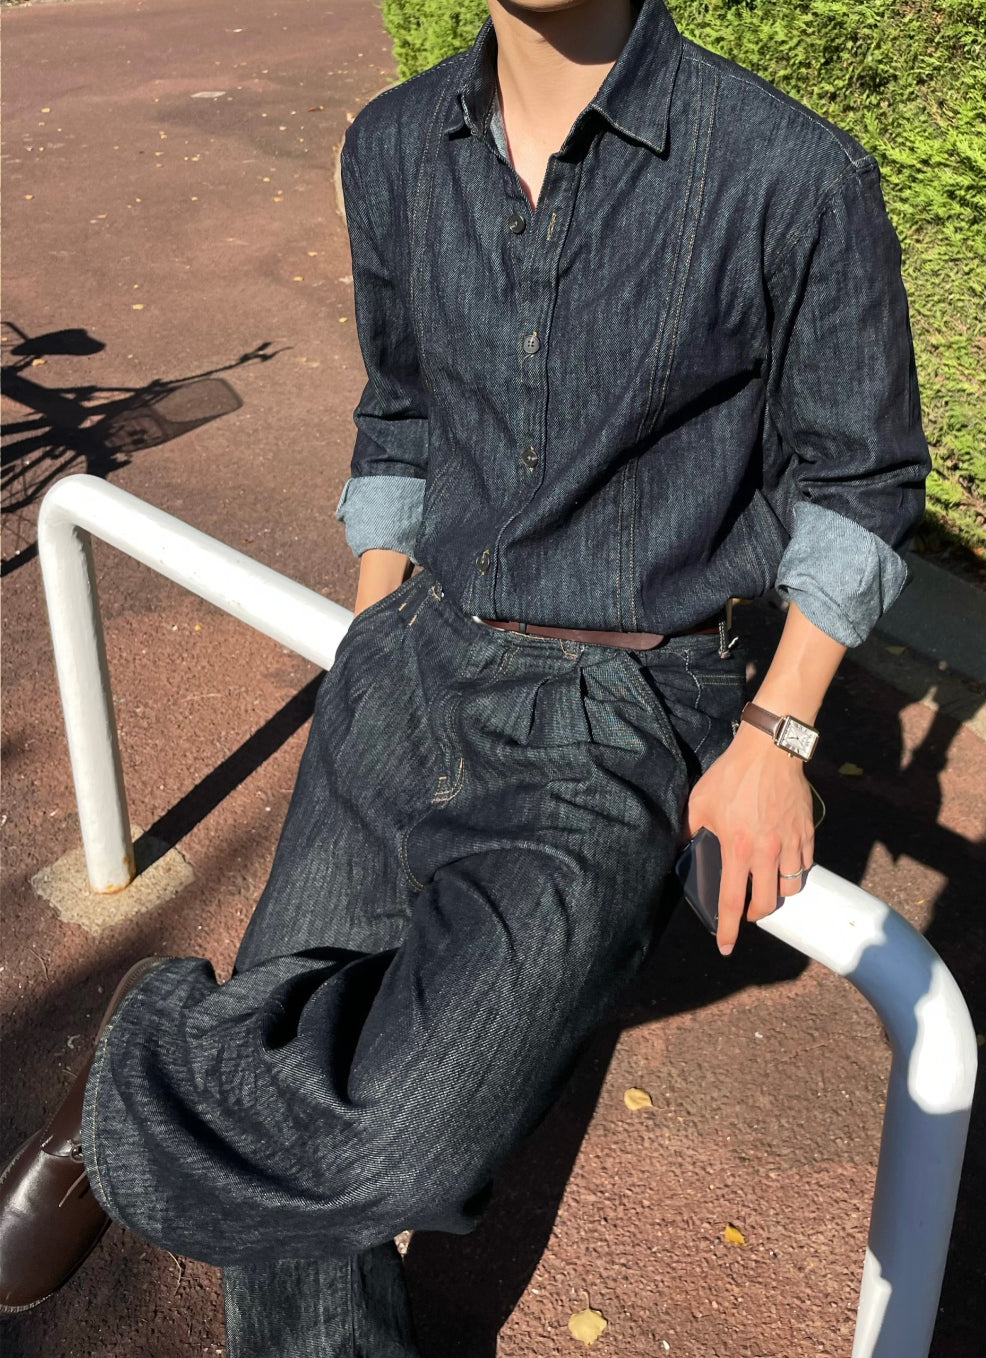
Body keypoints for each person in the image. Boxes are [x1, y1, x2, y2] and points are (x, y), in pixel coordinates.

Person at [0, 1, 930, 1352]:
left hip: (622, 701)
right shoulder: (391, 145)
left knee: (401, 1130)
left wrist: (776, 731)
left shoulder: (792, 173)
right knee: (292, 1169)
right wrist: (373, 636)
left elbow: (862, 478)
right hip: (411, 653)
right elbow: (401, 410)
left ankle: (124, 1084)